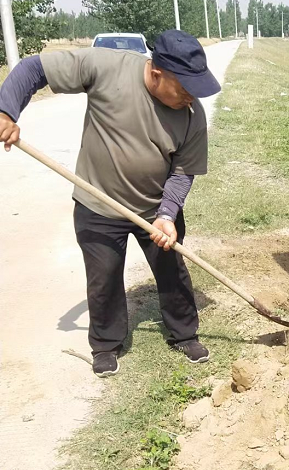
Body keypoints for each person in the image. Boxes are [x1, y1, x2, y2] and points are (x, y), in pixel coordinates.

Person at [0, 30, 220, 377]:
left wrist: (167, 215)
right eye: (185, 89)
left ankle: (184, 333)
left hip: (154, 209)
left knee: (172, 269)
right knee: (103, 277)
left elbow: (182, 172)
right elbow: (33, 69)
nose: (191, 98)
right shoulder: (106, 67)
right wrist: (6, 112)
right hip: (98, 203)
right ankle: (106, 344)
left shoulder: (192, 115)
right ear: (157, 72)